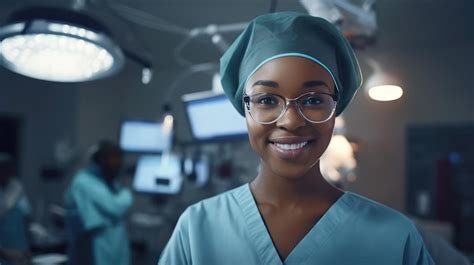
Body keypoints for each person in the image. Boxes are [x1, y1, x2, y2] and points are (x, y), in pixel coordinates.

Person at [158, 12, 435, 265]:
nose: (290, 121)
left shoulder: (395, 240)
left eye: (314, 99)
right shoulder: (197, 231)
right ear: (245, 108)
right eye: (267, 99)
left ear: (336, 108)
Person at [65, 141, 132, 265]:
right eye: (112, 159)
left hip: (113, 247)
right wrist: (126, 191)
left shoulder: (107, 183)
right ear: (100, 160)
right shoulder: (84, 181)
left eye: (119, 160)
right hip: (94, 248)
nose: (117, 164)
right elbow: (115, 207)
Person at [0, 153, 31, 265]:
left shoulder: (17, 188)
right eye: (2, 168)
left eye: (9, 168)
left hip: (21, 251)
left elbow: (26, 217)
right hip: (5, 254)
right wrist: (4, 252)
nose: (6, 172)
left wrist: (28, 247)